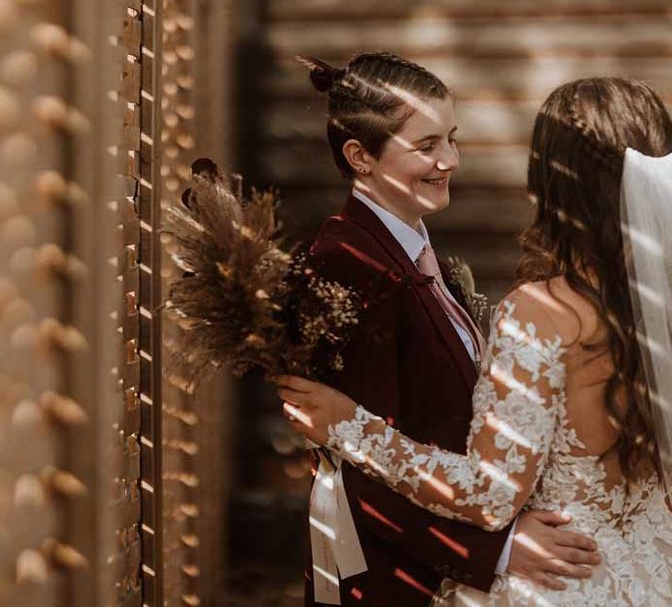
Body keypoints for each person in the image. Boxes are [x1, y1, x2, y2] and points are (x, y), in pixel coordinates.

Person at [278, 76, 672, 605]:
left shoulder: (543, 312)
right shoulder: (656, 310)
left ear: (556, 181)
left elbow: (490, 494)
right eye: (428, 144)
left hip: (561, 582)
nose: (451, 160)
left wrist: (349, 426)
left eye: (452, 139)